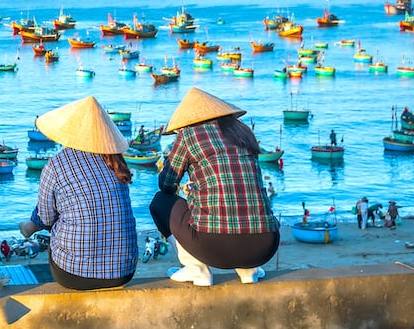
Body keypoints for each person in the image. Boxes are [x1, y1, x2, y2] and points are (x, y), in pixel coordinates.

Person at [150, 88, 279, 287]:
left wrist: (190, 188)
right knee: (243, 198)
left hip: (214, 247)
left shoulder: (188, 135)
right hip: (265, 245)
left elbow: (166, 183)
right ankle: (248, 270)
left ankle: (197, 269)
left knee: (160, 202)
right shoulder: (243, 132)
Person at [19, 95, 137, 291]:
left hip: (75, 275)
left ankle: (29, 226)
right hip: (123, 272)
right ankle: (31, 225)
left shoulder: (56, 164)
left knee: (55, 214)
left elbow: (47, 219)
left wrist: (38, 221)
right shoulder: (114, 162)